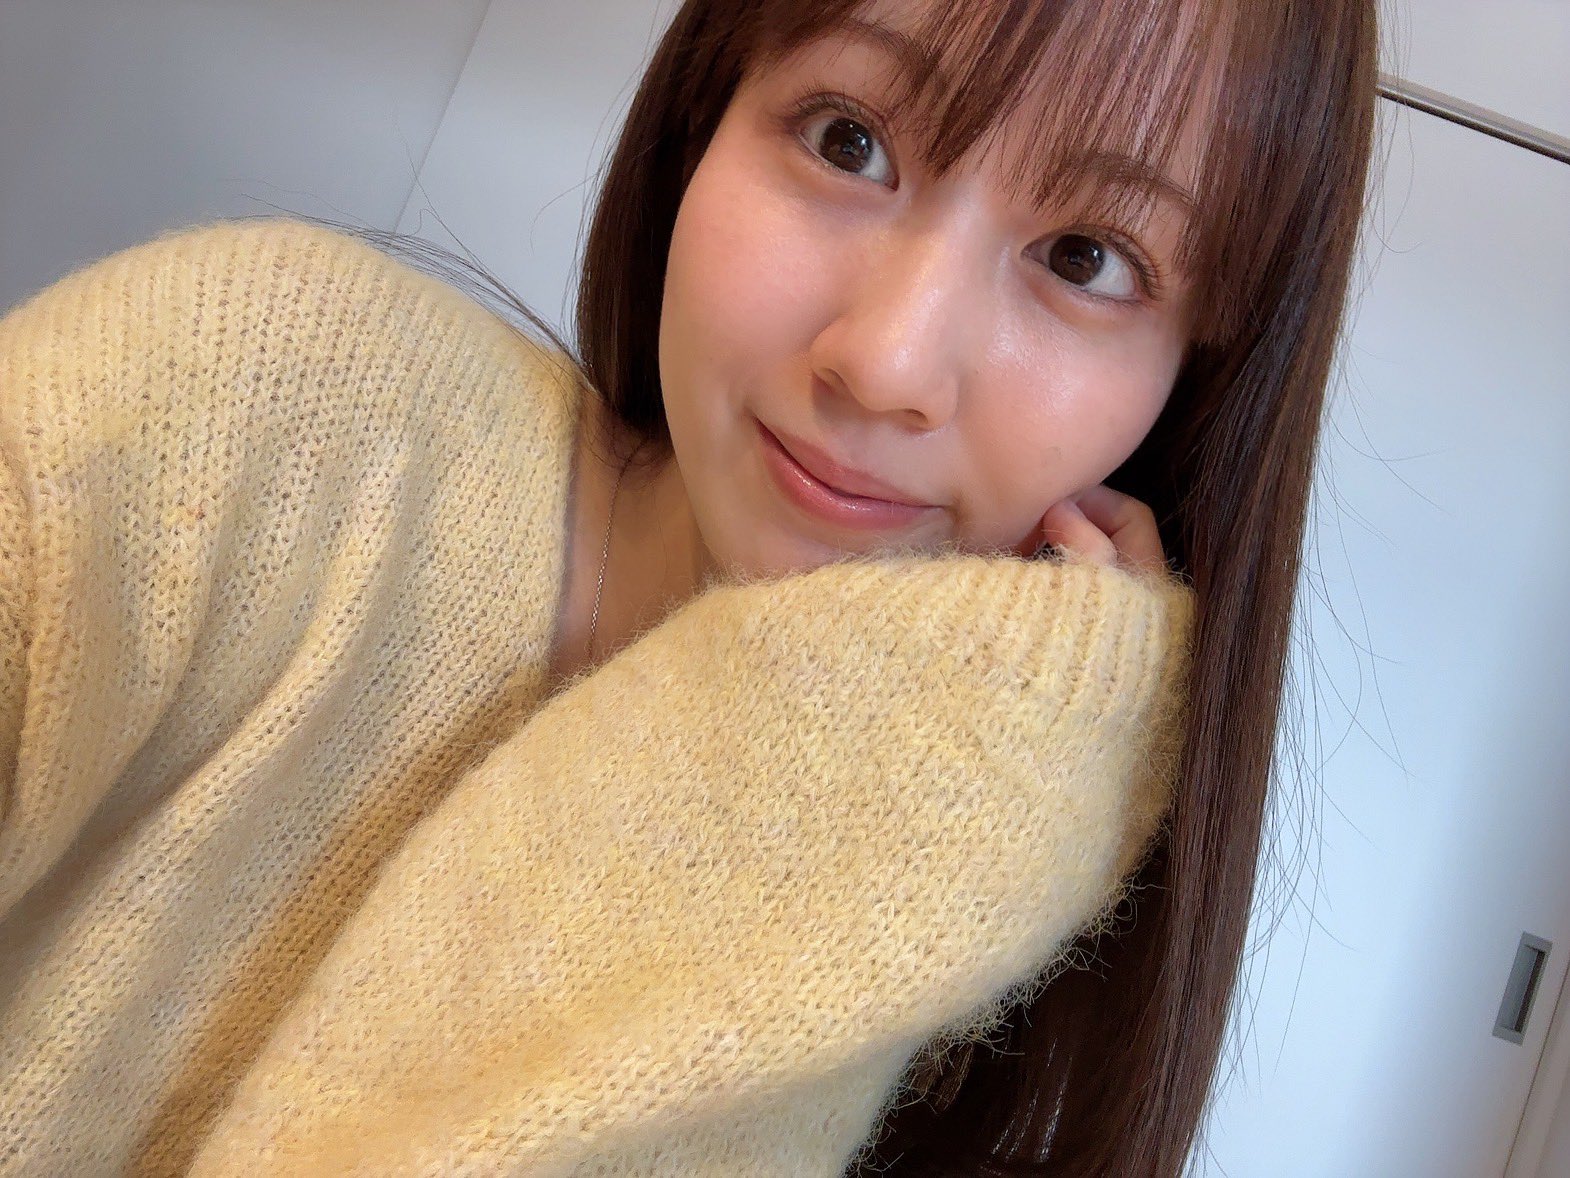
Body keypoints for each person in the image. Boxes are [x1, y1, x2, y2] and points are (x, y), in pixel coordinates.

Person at [0, 0, 1376, 1173]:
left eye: (1085, 259)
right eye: (847, 139)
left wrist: (942, 785)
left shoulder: (994, 924)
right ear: (704, 118)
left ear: (1193, 385)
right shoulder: (249, 411)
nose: (887, 362)